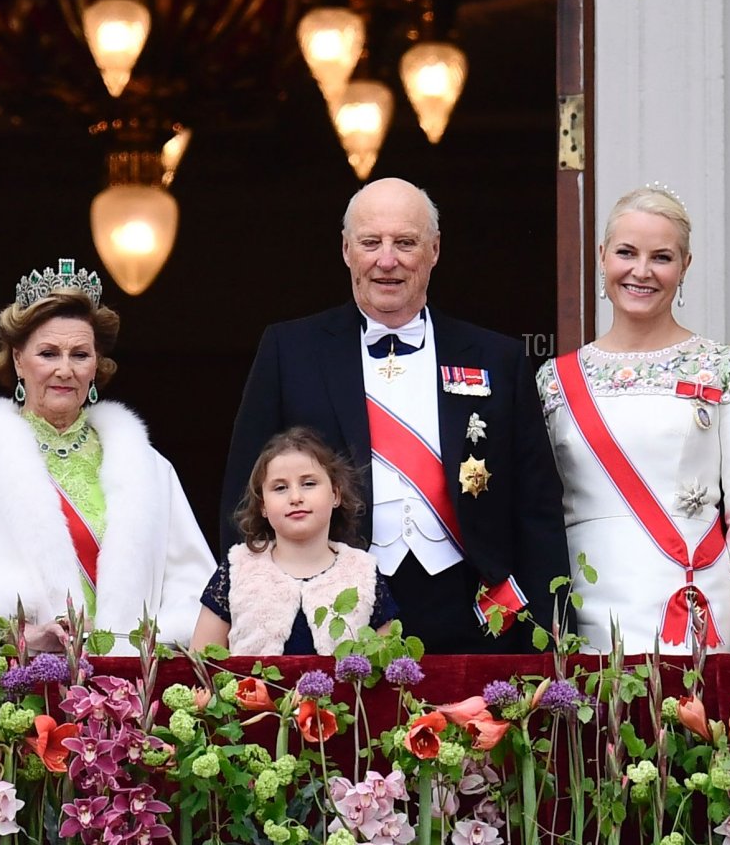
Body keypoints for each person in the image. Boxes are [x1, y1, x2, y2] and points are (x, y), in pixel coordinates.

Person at [220, 177, 569, 654]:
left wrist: (548, 631)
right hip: (333, 608)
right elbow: (246, 493)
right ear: (346, 250)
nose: (387, 260)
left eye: (405, 243)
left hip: (473, 609)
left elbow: (537, 505)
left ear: (434, 250)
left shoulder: (497, 357)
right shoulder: (290, 350)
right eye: (371, 243)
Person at [537, 184, 730, 655]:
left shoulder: (728, 369)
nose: (641, 271)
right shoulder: (554, 380)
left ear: (685, 266)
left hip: (694, 612)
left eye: (661, 257)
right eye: (626, 252)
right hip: (583, 613)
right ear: (602, 256)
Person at [0, 259, 215, 653]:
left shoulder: (148, 468)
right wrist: (18, 637)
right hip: (18, 679)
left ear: (96, 364)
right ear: (18, 359)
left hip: (131, 681)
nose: (65, 370)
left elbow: (194, 590)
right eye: (48, 353)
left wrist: (143, 647)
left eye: (80, 354)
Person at [192, 427, 397, 655]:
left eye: (309, 483)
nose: (296, 497)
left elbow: (390, 667)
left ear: (335, 495)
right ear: (263, 505)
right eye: (280, 488)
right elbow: (199, 664)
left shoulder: (363, 572)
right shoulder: (237, 569)